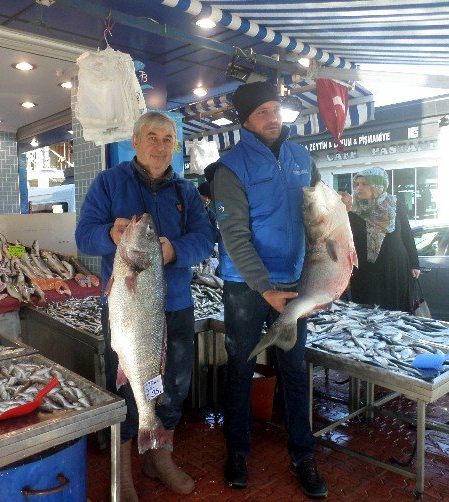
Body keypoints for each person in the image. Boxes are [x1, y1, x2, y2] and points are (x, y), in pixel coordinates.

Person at [75, 111, 214, 501]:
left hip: (177, 307)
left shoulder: (186, 192)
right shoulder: (109, 182)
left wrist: (175, 251)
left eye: (168, 139)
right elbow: (84, 236)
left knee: (173, 385)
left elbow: (205, 238)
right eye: (151, 136)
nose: (160, 145)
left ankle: (159, 457)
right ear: (134, 142)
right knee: (125, 385)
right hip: (128, 314)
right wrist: (109, 233)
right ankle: (123, 472)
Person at [207, 80, 327, 498]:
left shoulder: (301, 157)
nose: (273, 118)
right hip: (246, 287)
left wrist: (335, 206)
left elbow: (318, 214)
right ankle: (238, 450)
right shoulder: (230, 167)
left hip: (294, 281)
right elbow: (235, 236)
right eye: (263, 112)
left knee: (294, 369)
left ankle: (303, 454)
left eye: (276, 109)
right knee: (241, 366)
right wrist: (264, 288)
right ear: (246, 120)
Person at [340, 168, 420, 312]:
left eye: (364, 184)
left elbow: (406, 235)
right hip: (366, 272)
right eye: (357, 184)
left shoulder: (394, 205)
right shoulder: (351, 210)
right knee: (368, 315)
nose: (359, 188)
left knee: (397, 313)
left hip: (394, 269)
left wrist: (414, 264)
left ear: (378, 185)